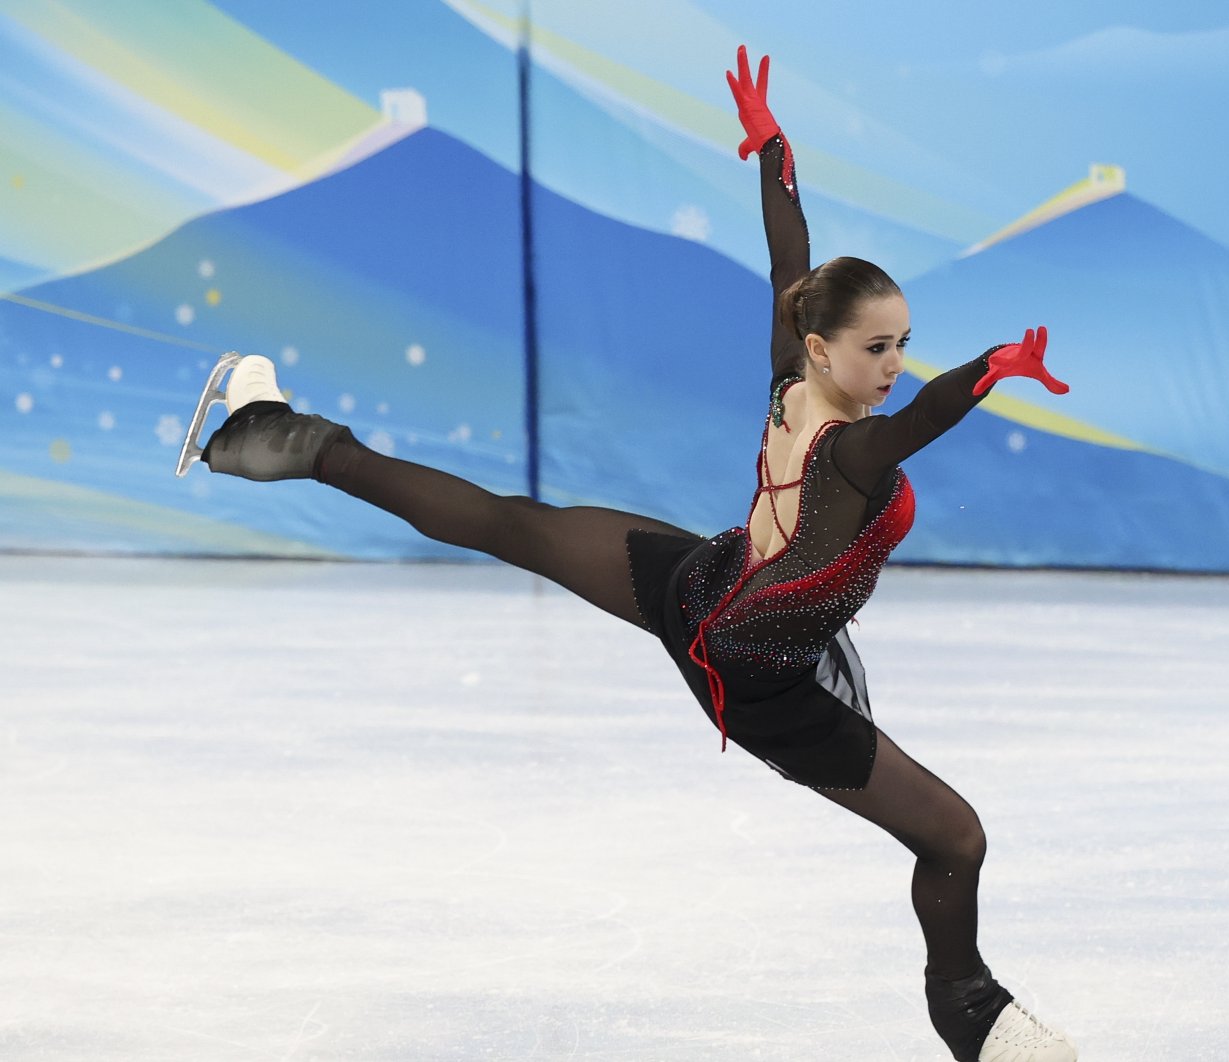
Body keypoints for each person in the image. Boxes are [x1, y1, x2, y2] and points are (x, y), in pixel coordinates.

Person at [192, 45, 1076, 1062]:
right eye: (876, 348)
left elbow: (792, 261)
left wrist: (771, 149)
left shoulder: (794, 370)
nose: (892, 366)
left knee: (512, 522)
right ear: (828, 349)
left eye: (902, 344)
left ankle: (279, 438)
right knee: (955, 838)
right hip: (758, 677)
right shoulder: (854, 455)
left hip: (705, 589)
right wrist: (994, 366)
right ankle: (968, 1014)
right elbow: (919, 415)